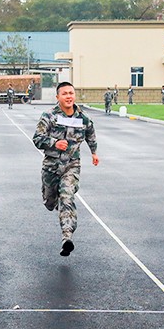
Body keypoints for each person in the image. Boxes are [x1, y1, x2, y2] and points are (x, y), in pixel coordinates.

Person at [32, 82, 99, 256]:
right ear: (58, 97)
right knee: (50, 201)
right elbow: (37, 138)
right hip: (51, 167)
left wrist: (94, 153)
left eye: (71, 93)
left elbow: (90, 134)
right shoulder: (49, 116)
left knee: (67, 196)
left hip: (71, 165)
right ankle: (51, 200)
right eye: (65, 94)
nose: (69, 96)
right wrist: (54, 143)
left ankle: (67, 237)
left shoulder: (83, 118)